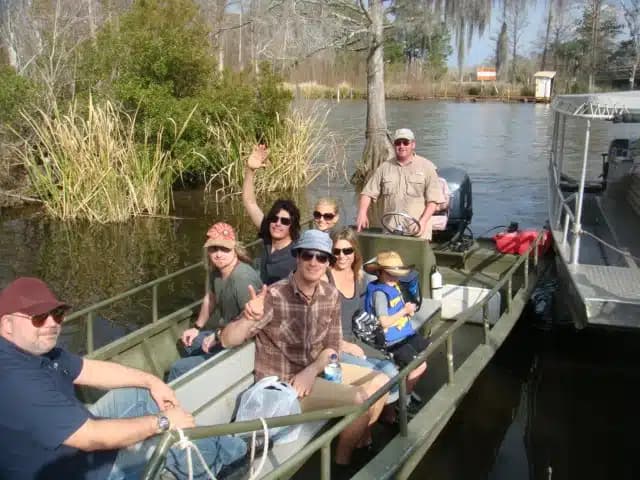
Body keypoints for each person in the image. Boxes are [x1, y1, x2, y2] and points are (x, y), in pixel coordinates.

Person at [0, 277, 247, 480]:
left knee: (140, 395)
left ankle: (223, 448)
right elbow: (92, 437)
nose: (52, 323)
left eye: (57, 314)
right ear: (7, 325)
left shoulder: (35, 350)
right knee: (167, 443)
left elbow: (90, 370)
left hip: (74, 441)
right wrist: (162, 422)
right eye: (39, 318)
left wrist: (151, 381)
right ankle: (226, 461)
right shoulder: (14, 378)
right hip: (80, 470)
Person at [218, 230, 389, 472]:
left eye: (322, 258)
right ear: (297, 257)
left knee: (382, 380)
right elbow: (227, 339)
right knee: (359, 399)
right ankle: (342, 466)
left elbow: (332, 346)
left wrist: (313, 370)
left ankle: (360, 441)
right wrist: (247, 318)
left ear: (328, 263)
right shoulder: (275, 296)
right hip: (286, 385)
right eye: (308, 255)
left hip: (314, 374)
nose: (314, 262)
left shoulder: (330, 295)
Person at [169, 222, 263, 381]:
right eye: (214, 249)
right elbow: (210, 298)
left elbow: (252, 326)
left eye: (224, 249)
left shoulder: (242, 279)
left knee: (177, 369)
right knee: (188, 342)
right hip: (222, 334)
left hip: (237, 345)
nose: (218, 254)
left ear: (234, 248)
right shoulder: (217, 272)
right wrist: (197, 328)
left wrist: (218, 337)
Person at [326, 228, 399, 406]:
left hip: (357, 339)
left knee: (392, 370)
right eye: (336, 251)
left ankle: (383, 411)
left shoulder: (360, 277)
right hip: (334, 344)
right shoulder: (325, 278)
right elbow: (320, 326)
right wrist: (343, 345)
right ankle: (365, 426)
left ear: (355, 252)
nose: (342, 256)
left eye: (347, 251)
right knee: (373, 373)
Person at [355, 128, 445, 240]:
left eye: (405, 142)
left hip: (418, 231)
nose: (402, 146)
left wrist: (423, 222)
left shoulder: (427, 167)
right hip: (390, 230)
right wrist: (362, 213)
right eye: (398, 143)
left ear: (413, 144)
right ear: (394, 145)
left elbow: (433, 201)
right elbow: (367, 193)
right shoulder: (384, 167)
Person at [363, 250, 428, 398]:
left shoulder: (394, 286)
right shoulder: (380, 294)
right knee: (420, 366)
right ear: (379, 272)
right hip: (391, 341)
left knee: (426, 349)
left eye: (397, 275)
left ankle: (406, 387)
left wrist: (408, 310)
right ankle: (405, 398)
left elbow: (399, 306)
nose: (394, 278)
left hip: (404, 333)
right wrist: (404, 311)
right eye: (389, 274)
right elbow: (384, 322)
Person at [242, 144, 300, 284]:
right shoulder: (268, 235)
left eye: (285, 221)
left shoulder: (298, 252)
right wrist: (250, 171)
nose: (278, 223)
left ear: (292, 226)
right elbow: (250, 202)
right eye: (274, 218)